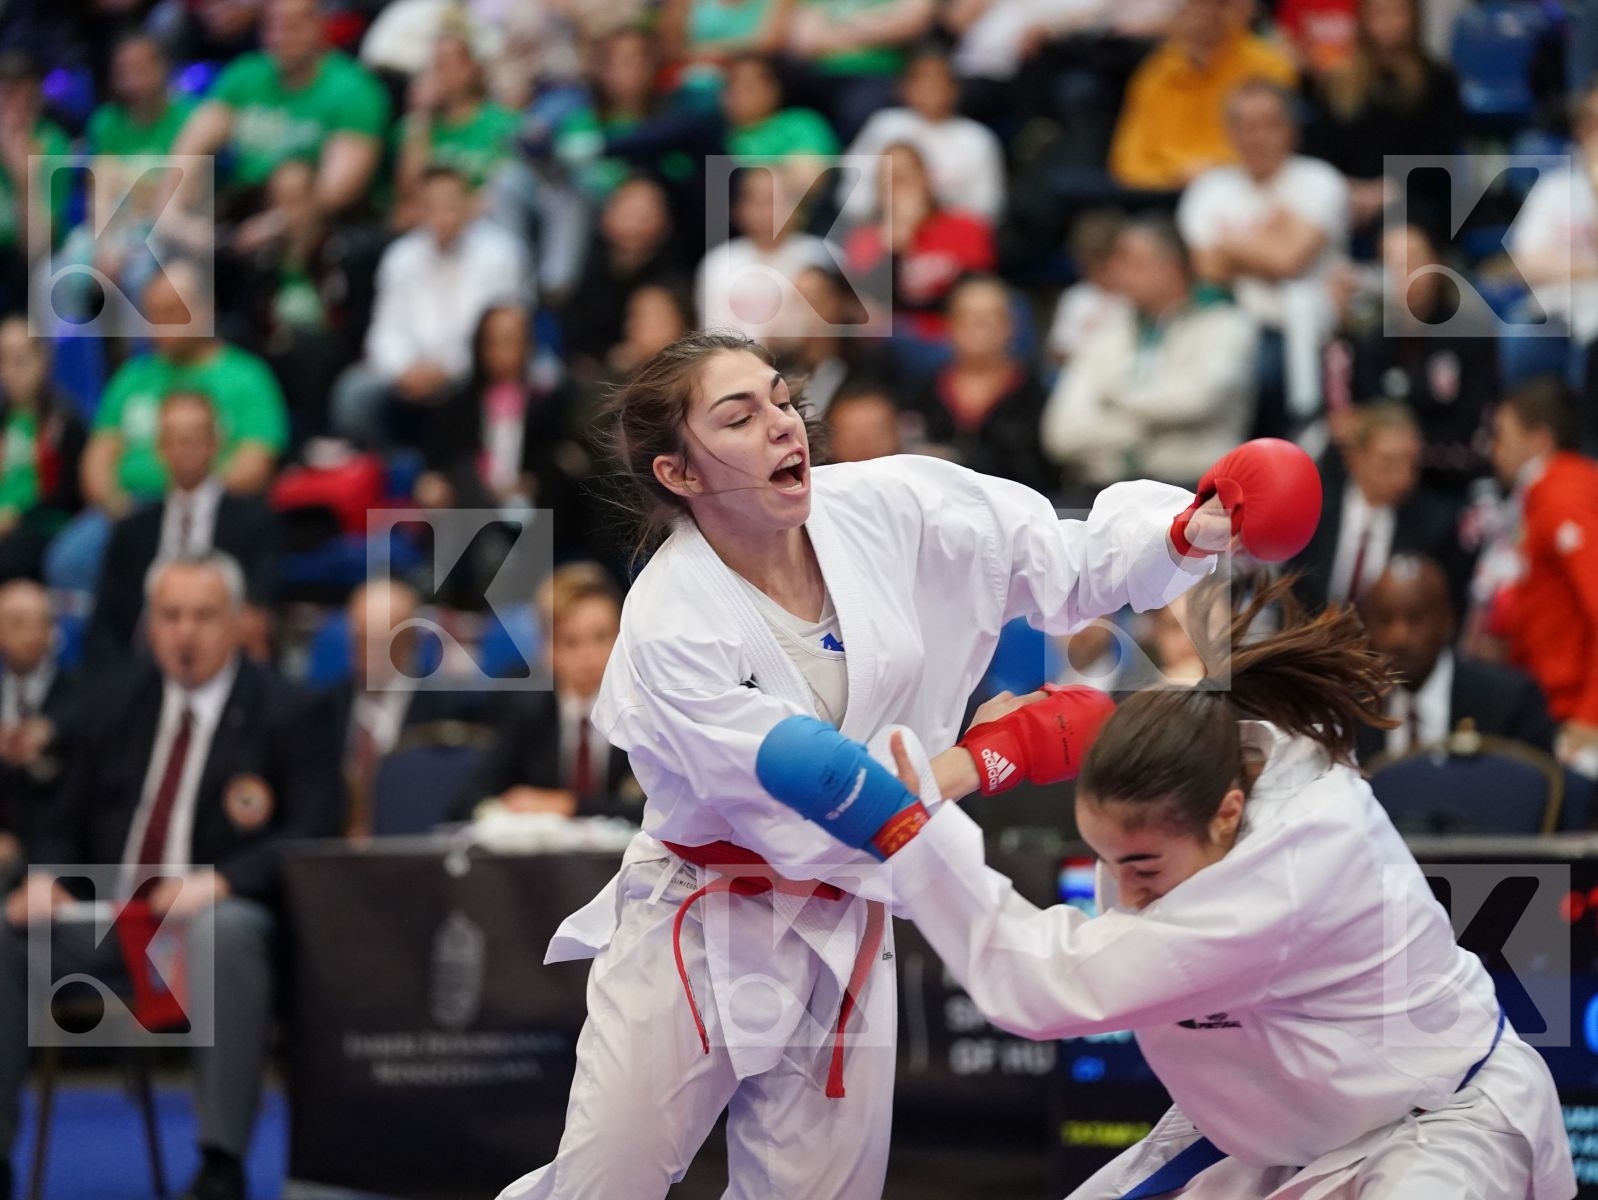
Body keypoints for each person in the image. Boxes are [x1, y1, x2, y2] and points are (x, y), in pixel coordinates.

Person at [494, 329, 1319, 1199]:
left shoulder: (889, 505)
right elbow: (819, 788)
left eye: (782, 399)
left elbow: (1058, 557)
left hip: (845, 922)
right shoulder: (670, 624)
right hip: (698, 922)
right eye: (738, 418)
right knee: (602, 1188)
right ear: (680, 473)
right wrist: (992, 754)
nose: (781, 424)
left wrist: (1187, 531)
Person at [757, 577, 1575, 1200]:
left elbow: (1038, 987)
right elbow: (1136, 719)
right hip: (1275, 1129)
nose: (1126, 892)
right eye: (1107, 860)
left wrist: (905, 826)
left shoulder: (1289, 873)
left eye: (1142, 867)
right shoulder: (1214, 757)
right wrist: (976, 763)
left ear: (1229, 817)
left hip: (1436, 1125)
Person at [0, 551, 343, 1200]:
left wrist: (224, 881)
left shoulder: (289, 710)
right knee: (7, 933)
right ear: (150, 625)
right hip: (111, 923)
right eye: (171, 615)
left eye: (204, 616)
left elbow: (314, 828)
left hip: (220, 925)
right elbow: (56, 816)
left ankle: (220, 1164)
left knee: (225, 930)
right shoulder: (113, 703)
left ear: (237, 623)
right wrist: (45, 877)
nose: (186, 631)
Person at [1042, 217, 1257, 491]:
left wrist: (1113, 400)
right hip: (1105, 491)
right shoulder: (1107, 332)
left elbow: (1197, 401)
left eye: (1134, 263)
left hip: (1192, 490)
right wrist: (1154, 428)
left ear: (1173, 267)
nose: (1119, 273)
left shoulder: (1226, 324)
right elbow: (1060, 433)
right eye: (1117, 262)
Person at [88, 392, 279, 669]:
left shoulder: (255, 522)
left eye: (193, 438)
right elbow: (105, 624)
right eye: (174, 440)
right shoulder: (132, 532)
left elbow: (260, 612)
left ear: (215, 444)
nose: (184, 449)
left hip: (224, 669)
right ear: (160, 449)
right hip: (141, 672)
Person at [452, 564, 641, 822]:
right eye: (571, 642)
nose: (589, 656)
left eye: (601, 637)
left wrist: (570, 806)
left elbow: (661, 809)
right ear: (547, 650)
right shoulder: (525, 710)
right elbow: (470, 802)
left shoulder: (644, 711)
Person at [1356, 554, 1555, 763]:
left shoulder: (1510, 701)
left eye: (1415, 619)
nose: (1399, 637)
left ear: (1447, 621)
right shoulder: (1352, 708)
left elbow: (1536, 779)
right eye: (1384, 620)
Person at [1291, 402, 1467, 612]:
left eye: (1411, 464)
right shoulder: (1315, 509)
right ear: (1355, 459)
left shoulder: (1435, 526)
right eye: (1387, 463)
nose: (1402, 477)